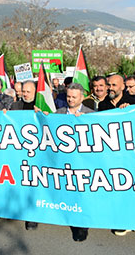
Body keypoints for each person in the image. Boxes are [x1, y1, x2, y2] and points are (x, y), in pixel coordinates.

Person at [53, 83, 93, 242]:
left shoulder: (90, 114)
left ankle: (81, 227)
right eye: (68, 96)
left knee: (81, 194)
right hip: (63, 161)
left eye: (74, 97)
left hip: (82, 162)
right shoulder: (59, 112)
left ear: (82, 97)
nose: (70, 99)